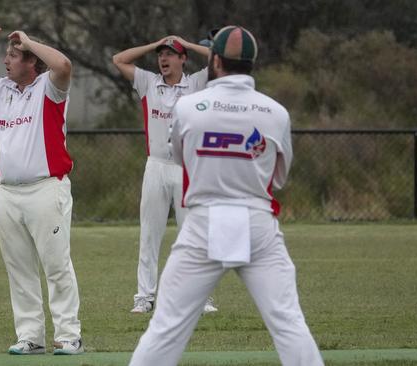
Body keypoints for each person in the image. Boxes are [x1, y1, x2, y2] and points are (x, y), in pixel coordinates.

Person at [129, 26, 324, 366]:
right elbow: (278, 178)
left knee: (165, 328)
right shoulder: (276, 113)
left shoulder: (189, 107)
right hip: (258, 224)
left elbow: (179, 156)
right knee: (289, 322)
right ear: (252, 63)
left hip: (203, 223)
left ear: (215, 61)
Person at [0, 25, 83, 356]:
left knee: (56, 266)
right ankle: (31, 336)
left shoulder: (49, 87)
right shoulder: (2, 89)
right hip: (8, 193)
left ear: (31, 61)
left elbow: (64, 66)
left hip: (45, 189)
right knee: (19, 269)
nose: (6, 60)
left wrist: (29, 42)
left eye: (13, 55)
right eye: (7, 54)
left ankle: (69, 336)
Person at [112, 35, 218, 314]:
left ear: (183, 59)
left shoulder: (196, 84)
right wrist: (155, 42)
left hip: (186, 168)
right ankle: (144, 297)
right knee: (149, 235)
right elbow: (118, 60)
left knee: (192, 235)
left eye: (171, 54)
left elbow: (219, 58)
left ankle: (199, 297)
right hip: (156, 166)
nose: (164, 58)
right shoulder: (148, 82)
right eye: (161, 54)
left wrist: (188, 43)